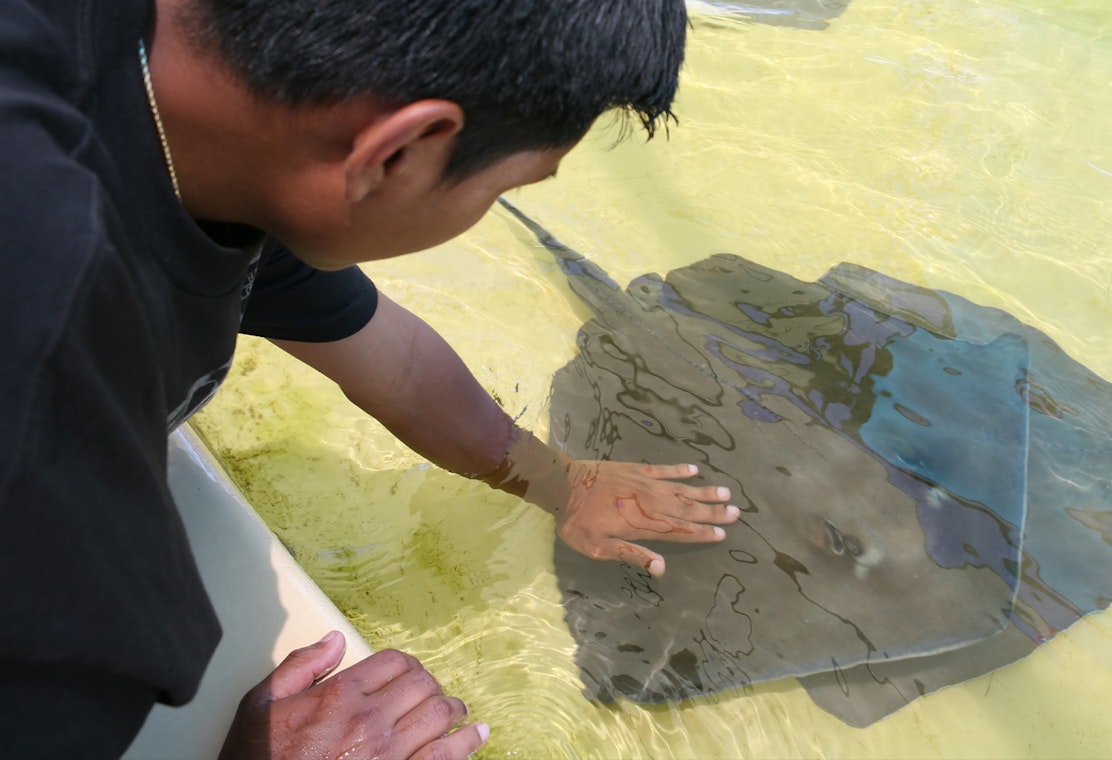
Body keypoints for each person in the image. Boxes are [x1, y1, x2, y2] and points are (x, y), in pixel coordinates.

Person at [0, 0, 743, 756]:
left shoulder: (199, 125)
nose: (493, 206)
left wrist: (562, 482)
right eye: (507, 188)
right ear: (396, 153)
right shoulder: (48, 378)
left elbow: (397, 362)